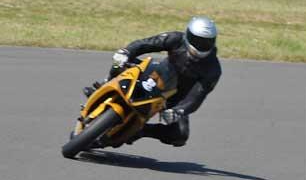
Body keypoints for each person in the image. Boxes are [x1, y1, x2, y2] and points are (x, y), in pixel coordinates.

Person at [85, 16, 221, 147]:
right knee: (120, 62)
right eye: (197, 40)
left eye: (206, 42)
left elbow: (197, 96)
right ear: (188, 35)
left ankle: (141, 130)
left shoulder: (213, 69)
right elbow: (145, 44)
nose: (201, 45)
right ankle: (106, 83)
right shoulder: (175, 38)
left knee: (180, 135)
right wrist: (127, 52)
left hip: (175, 98)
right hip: (155, 75)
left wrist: (179, 110)